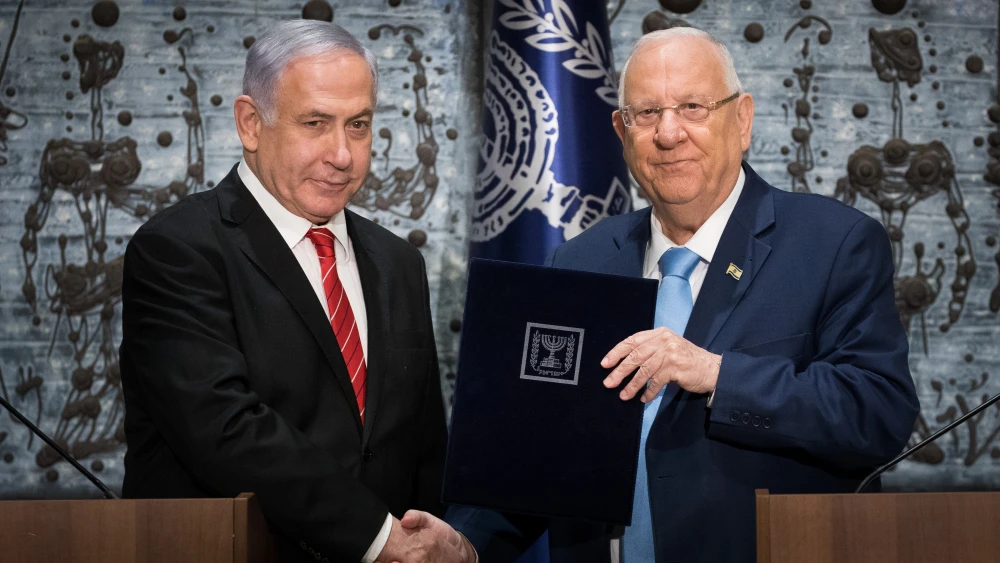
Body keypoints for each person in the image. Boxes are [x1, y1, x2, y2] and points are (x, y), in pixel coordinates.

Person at [449, 27, 919, 563]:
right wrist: (466, 542)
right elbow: (544, 451)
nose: (668, 134)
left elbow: (879, 414)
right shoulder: (579, 261)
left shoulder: (833, 243)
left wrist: (717, 373)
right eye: (646, 114)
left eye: (693, 107)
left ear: (742, 119)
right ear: (620, 131)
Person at [119, 20, 474, 563]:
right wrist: (381, 541)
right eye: (316, 123)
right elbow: (225, 431)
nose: (342, 153)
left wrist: (438, 542)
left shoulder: (397, 262)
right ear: (250, 123)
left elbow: (421, 446)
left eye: (358, 125)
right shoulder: (178, 249)